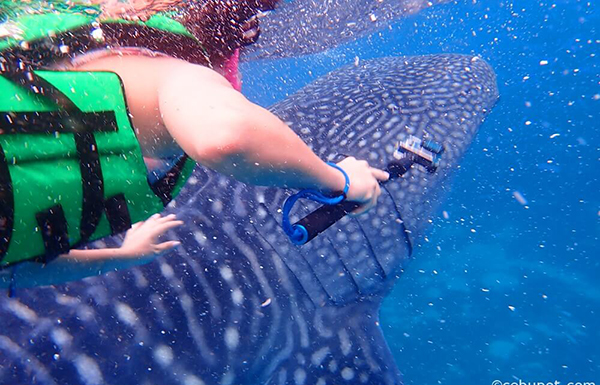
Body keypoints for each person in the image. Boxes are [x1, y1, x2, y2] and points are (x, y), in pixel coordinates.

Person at [0, 0, 388, 288]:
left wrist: (124, 256)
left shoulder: (37, 61)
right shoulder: (163, 73)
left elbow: (20, 267)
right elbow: (226, 137)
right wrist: (337, 180)